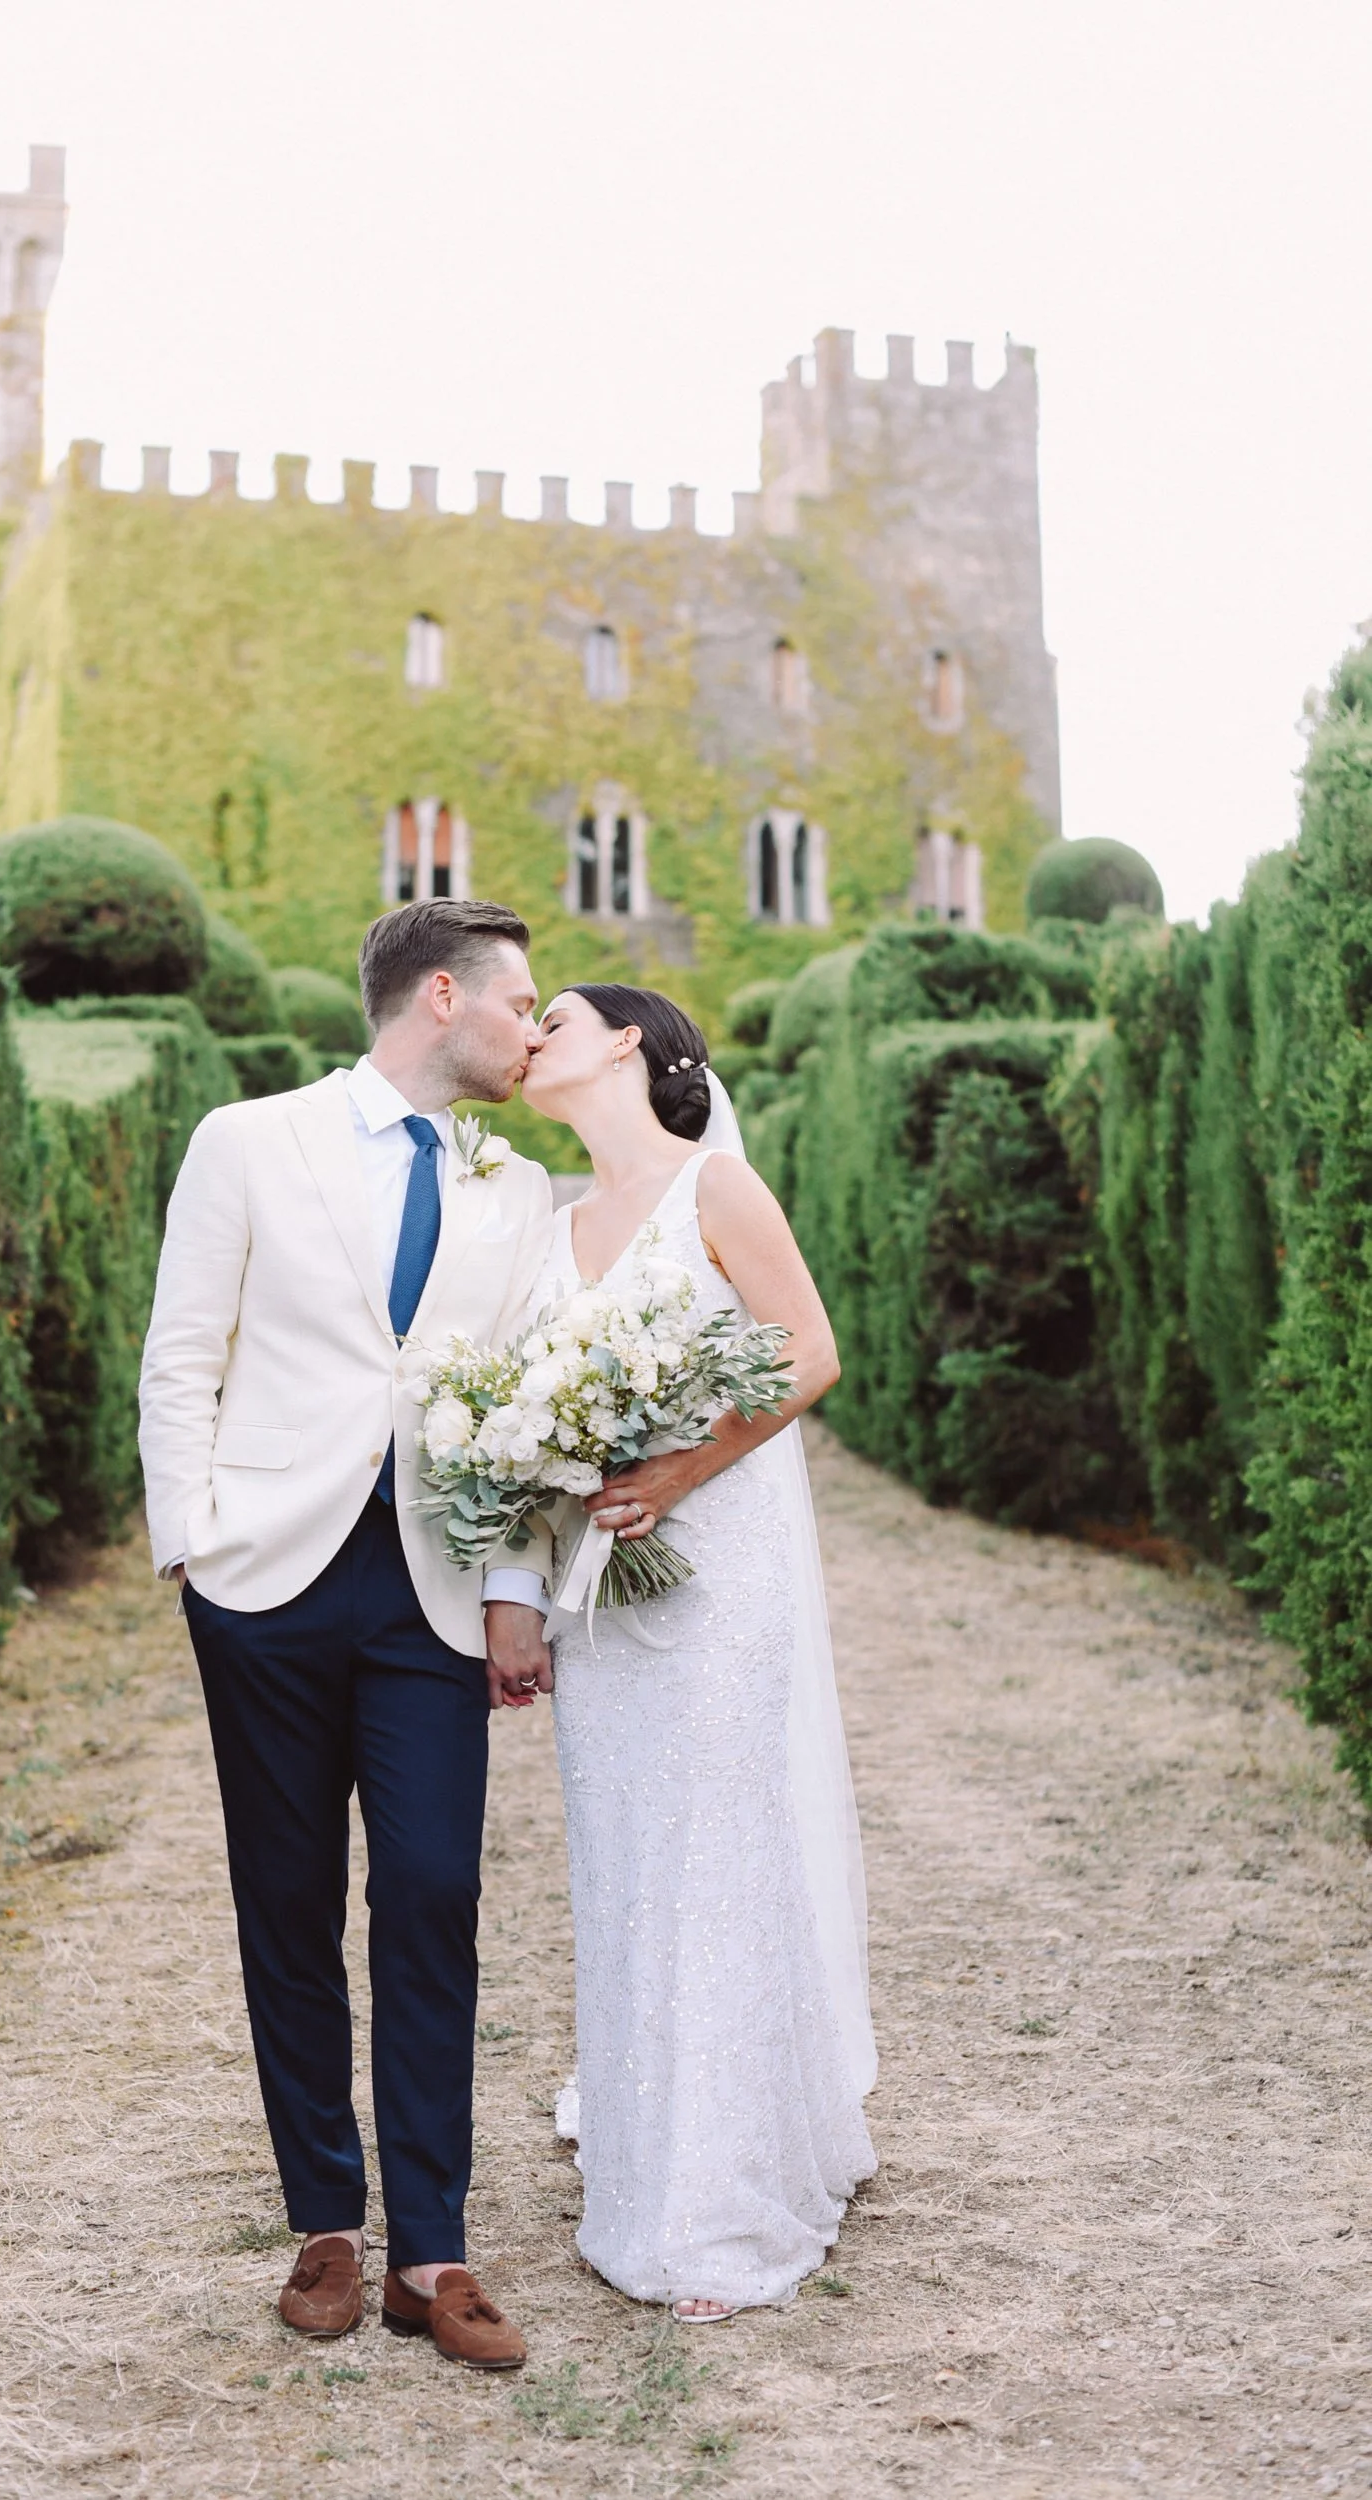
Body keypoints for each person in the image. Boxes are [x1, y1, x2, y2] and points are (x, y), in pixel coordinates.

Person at [137, 897, 559, 2370]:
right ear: (442, 997)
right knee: (289, 1898)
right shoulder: (249, 1142)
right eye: (522, 1004)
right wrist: (188, 1539)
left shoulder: (520, 1188)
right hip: (266, 1580)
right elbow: (182, 1349)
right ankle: (325, 2220)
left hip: (433, 1590)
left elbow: (524, 1413)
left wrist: (518, 1587)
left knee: (436, 1894)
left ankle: (431, 2251)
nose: (536, 1029)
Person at [520, 982, 877, 2320]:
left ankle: (718, 2206)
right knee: (627, 1858)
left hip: (721, 1574)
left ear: (628, 1041)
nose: (531, 1033)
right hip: (603, 1591)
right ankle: (645, 2146)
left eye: (554, 1011)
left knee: (716, 1852)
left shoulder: (716, 1188)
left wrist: (676, 1472)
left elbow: (808, 1351)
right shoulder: (553, 1234)